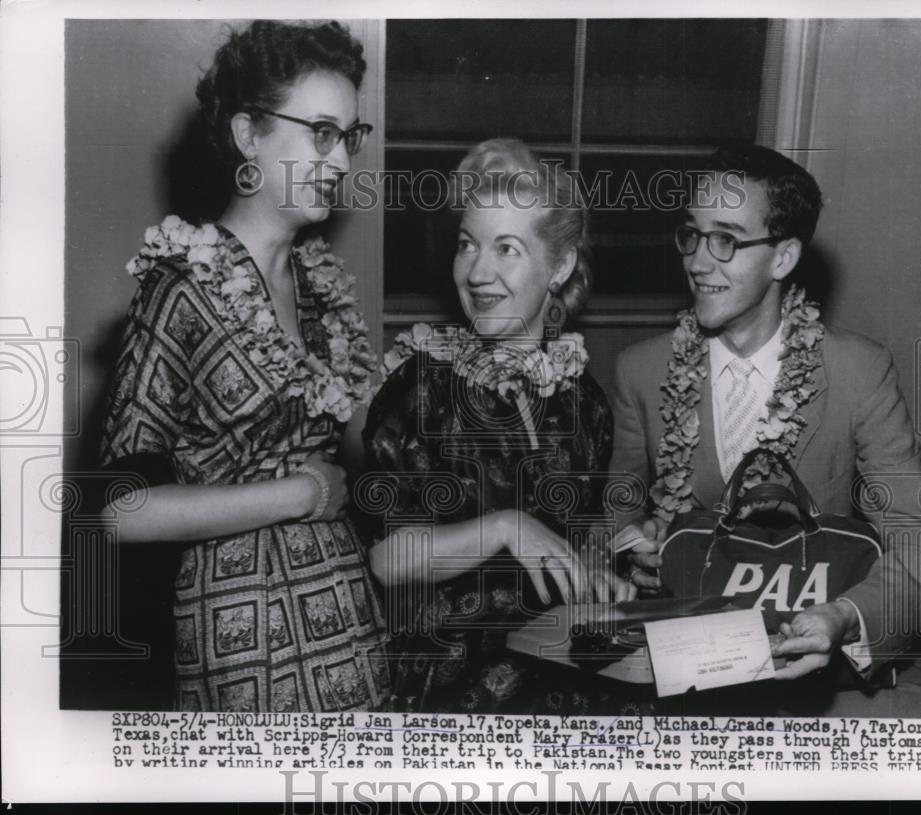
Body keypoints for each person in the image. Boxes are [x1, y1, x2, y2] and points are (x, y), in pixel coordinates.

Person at [99, 20, 389, 712]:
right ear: (248, 136)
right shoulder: (181, 287)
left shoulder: (321, 287)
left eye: (348, 136)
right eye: (320, 131)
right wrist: (295, 494)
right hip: (242, 643)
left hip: (351, 626)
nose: (342, 161)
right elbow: (118, 511)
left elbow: (364, 452)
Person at [610, 144, 921, 717]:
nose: (697, 261)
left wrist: (844, 617)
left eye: (726, 239)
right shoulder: (640, 370)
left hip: (825, 663)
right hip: (687, 661)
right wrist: (629, 549)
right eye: (691, 234)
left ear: (784, 257)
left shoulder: (859, 372)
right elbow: (615, 505)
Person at [361, 138, 633, 714]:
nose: (478, 272)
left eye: (506, 249)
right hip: (454, 687)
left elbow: (575, 542)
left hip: (564, 676)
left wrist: (601, 575)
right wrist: (505, 527)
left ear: (559, 266)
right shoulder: (420, 390)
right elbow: (388, 561)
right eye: (467, 245)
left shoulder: (584, 401)